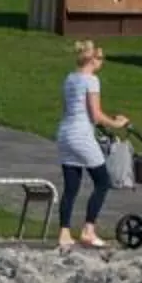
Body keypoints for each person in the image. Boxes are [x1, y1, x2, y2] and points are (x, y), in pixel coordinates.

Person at [56, 39, 130, 249]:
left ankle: (64, 233)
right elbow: (95, 115)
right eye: (100, 58)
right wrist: (116, 123)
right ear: (92, 60)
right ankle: (89, 230)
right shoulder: (91, 80)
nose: (102, 62)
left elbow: (68, 109)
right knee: (102, 181)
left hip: (65, 133)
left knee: (71, 187)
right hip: (81, 134)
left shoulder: (69, 79)